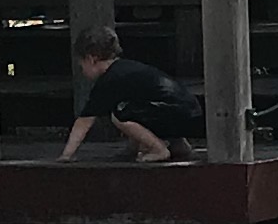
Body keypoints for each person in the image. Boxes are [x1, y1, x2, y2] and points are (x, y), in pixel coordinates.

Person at [58, 26, 204, 163]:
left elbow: (84, 121)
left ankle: (158, 149)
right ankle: (179, 145)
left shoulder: (109, 80)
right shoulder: (126, 68)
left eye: (82, 65)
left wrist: (66, 155)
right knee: (133, 108)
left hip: (175, 113)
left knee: (121, 114)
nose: (82, 71)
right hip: (191, 111)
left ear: (91, 59)